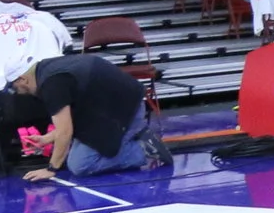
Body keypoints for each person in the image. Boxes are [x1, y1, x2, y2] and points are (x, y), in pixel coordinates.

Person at [11, 52, 165, 180]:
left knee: (80, 165)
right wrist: (47, 138)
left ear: (23, 79)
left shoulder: (51, 85)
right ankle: (133, 138)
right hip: (111, 107)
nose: (14, 91)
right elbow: (68, 121)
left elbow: (65, 132)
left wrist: (51, 169)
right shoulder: (47, 69)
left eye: (13, 86)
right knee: (76, 155)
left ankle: (143, 150)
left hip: (126, 112)